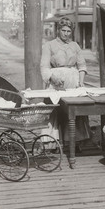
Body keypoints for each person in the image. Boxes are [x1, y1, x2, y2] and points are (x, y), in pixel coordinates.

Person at [40, 16, 91, 144]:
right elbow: (44, 67)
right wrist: (52, 77)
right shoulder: (49, 45)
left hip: (73, 83)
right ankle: (52, 142)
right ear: (58, 30)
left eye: (69, 31)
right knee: (55, 110)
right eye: (63, 30)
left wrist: (81, 82)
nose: (66, 34)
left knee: (74, 109)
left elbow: (82, 65)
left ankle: (75, 141)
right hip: (55, 83)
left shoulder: (75, 46)